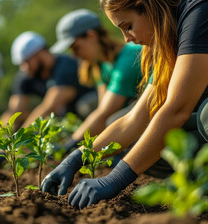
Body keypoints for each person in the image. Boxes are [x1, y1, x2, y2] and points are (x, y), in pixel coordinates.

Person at [41, 0, 208, 209]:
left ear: (148, 6)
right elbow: (135, 119)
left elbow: (176, 111)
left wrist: (114, 180)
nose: (126, 39)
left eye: (128, 26)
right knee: (142, 138)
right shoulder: (170, 36)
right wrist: (76, 157)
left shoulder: (207, 7)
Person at [50, 9, 144, 154]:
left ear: (91, 36)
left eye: (76, 47)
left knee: (113, 120)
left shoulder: (128, 59)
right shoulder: (101, 65)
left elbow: (105, 113)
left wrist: (71, 146)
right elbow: (102, 107)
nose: (74, 55)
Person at [0, 31, 96, 129]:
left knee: (85, 105)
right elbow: (14, 110)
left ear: (41, 52)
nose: (24, 68)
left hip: (85, 109)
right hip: (66, 115)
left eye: (27, 61)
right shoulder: (27, 74)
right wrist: (3, 137)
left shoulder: (66, 66)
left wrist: (22, 139)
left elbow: (49, 107)